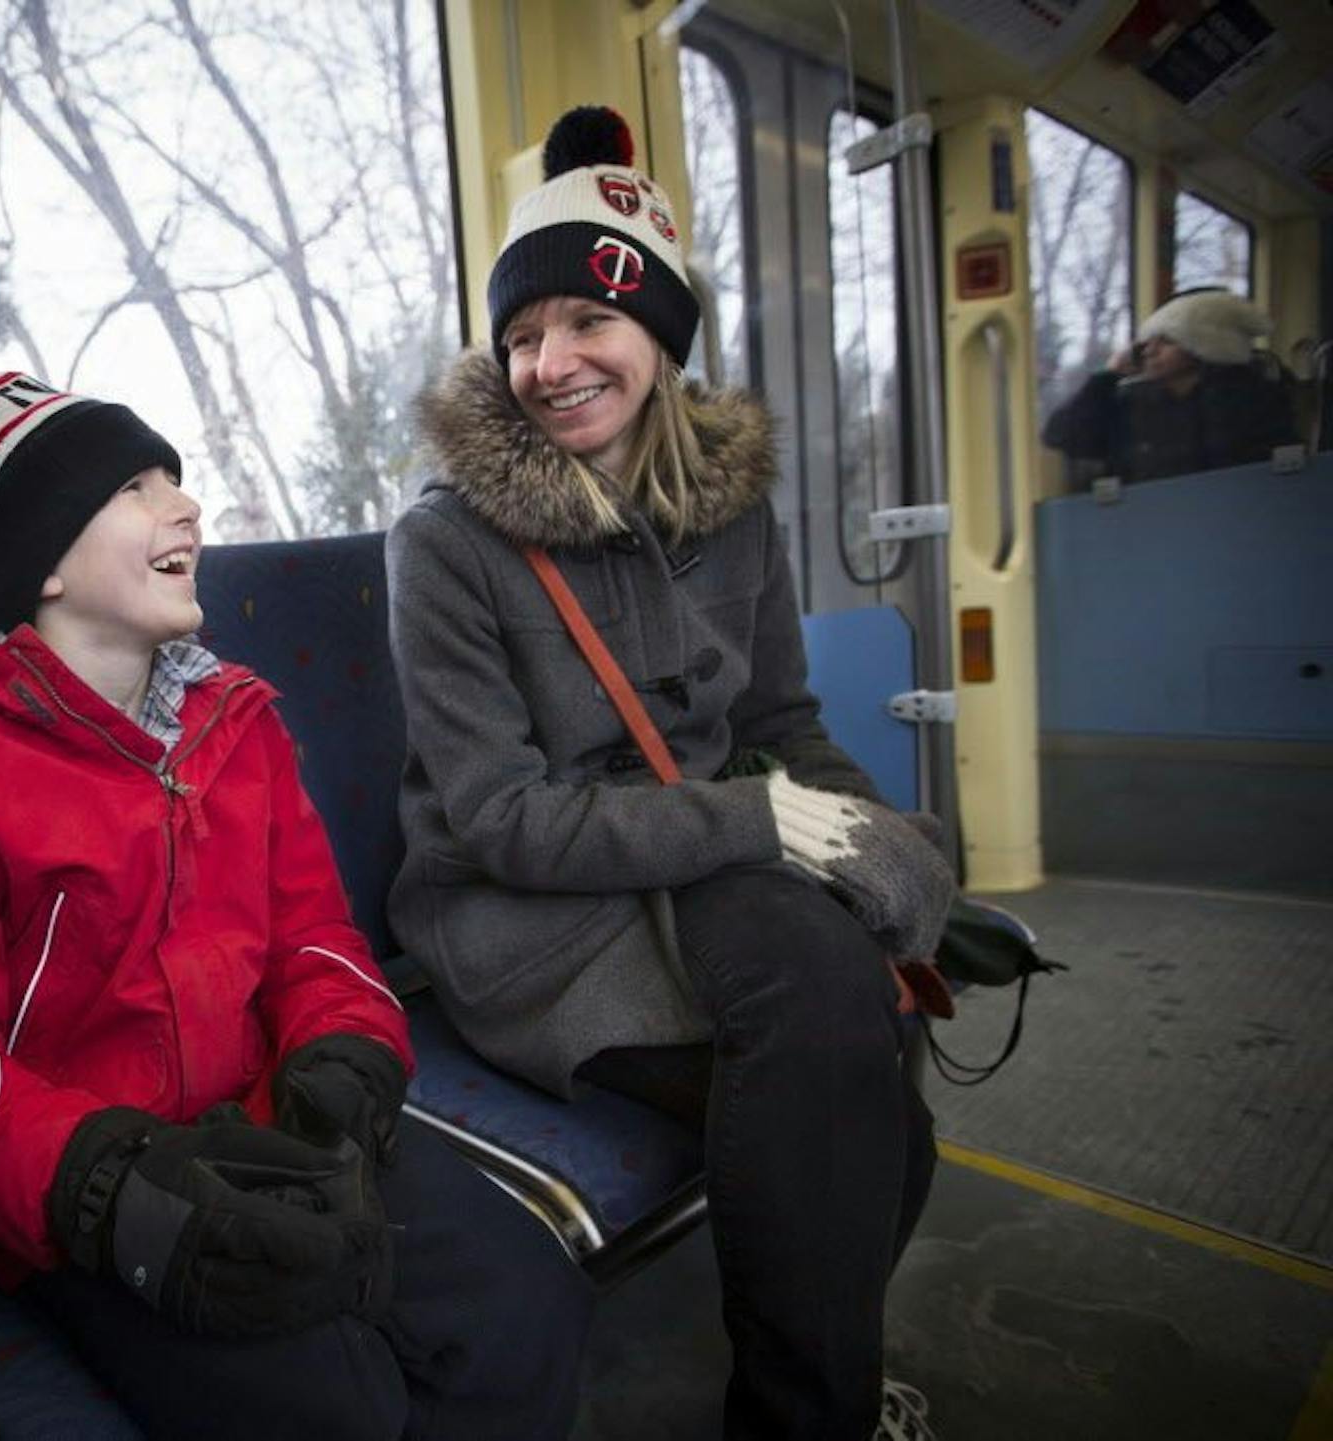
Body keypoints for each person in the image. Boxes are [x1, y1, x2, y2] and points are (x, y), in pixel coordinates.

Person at [0, 345, 592, 1441]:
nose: (184, 506)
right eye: (134, 489)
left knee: (521, 1301)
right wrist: (109, 1188)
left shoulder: (239, 728)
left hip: (272, 1114)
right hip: (94, 1190)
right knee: (334, 1402)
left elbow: (312, 938)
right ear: (40, 562)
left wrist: (344, 1053)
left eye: (173, 478)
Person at [385, 106, 955, 1440]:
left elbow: (782, 718)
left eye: (586, 322)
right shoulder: (449, 545)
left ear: (661, 338)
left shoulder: (733, 511)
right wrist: (763, 819)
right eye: (522, 336)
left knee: (879, 1109)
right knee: (842, 1064)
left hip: (701, 869)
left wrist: (880, 841)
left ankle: (815, 1392)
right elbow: (502, 820)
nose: (550, 362)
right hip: (539, 918)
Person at [1041, 287, 1298, 484]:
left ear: (1203, 346)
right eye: (1148, 342)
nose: (1150, 351)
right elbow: (1062, 436)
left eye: (1167, 341)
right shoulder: (1131, 402)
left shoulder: (1253, 400)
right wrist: (1107, 376)